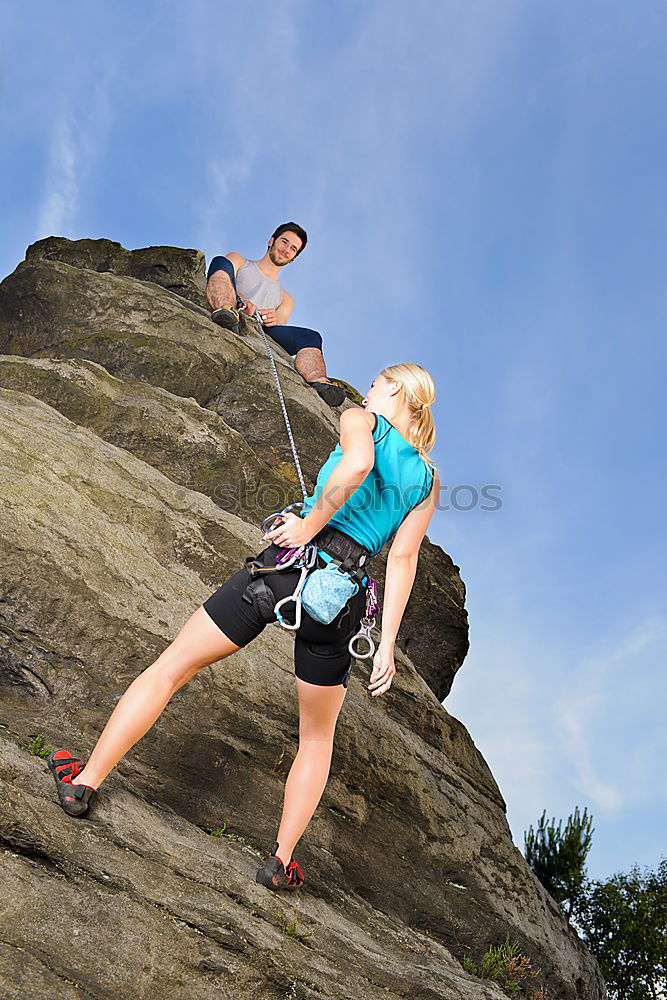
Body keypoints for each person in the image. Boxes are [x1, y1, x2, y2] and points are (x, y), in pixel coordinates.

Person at [48, 363, 440, 892]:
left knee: (171, 668)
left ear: (392, 388)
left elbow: (356, 467)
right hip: (342, 600)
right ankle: (280, 860)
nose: (368, 390)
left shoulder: (362, 419)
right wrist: (387, 642)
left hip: (287, 569)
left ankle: (85, 782)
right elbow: (403, 560)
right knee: (316, 736)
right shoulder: (429, 480)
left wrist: (306, 526)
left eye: (375, 382)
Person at [206, 222, 346, 407]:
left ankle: (319, 380)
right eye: (284, 242)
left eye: (293, 248)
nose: (286, 249)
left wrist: (273, 320)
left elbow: (280, 326)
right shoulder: (239, 261)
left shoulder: (286, 299)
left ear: (293, 258)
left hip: (260, 329)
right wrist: (241, 299)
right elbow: (220, 274)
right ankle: (225, 308)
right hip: (233, 308)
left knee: (311, 336)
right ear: (271, 241)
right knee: (220, 261)